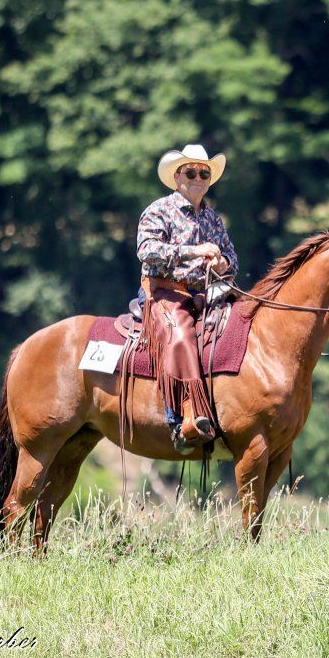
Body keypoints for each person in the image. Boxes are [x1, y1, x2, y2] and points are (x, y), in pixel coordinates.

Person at [134, 144, 238, 452]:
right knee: (179, 336)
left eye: (204, 173)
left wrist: (224, 264)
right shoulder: (158, 210)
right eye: (190, 172)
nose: (198, 177)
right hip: (164, 291)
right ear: (177, 177)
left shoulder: (213, 219)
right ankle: (180, 419)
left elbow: (232, 256)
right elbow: (147, 251)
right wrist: (194, 251)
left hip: (204, 294)